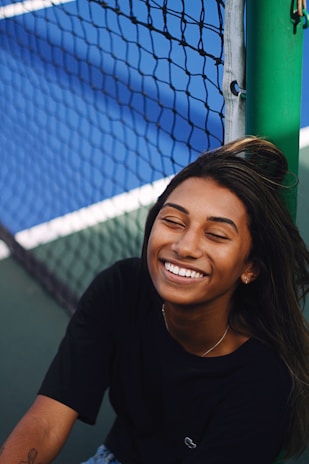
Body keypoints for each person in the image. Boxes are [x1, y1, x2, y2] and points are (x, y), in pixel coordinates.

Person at [1, 136, 309, 464]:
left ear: (250, 268)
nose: (185, 246)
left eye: (216, 234)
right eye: (173, 221)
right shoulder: (122, 290)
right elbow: (46, 422)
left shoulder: (263, 385)